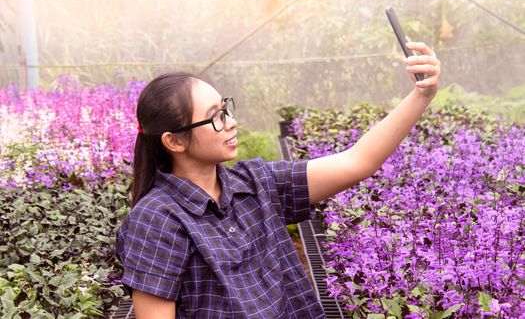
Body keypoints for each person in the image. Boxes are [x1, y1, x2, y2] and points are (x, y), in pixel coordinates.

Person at [115, 41, 441, 318]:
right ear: (174, 141)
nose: (230, 122)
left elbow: (356, 162)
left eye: (225, 109)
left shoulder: (255, 183)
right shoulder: (156, 221)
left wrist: (420, 96)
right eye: (214, 117)